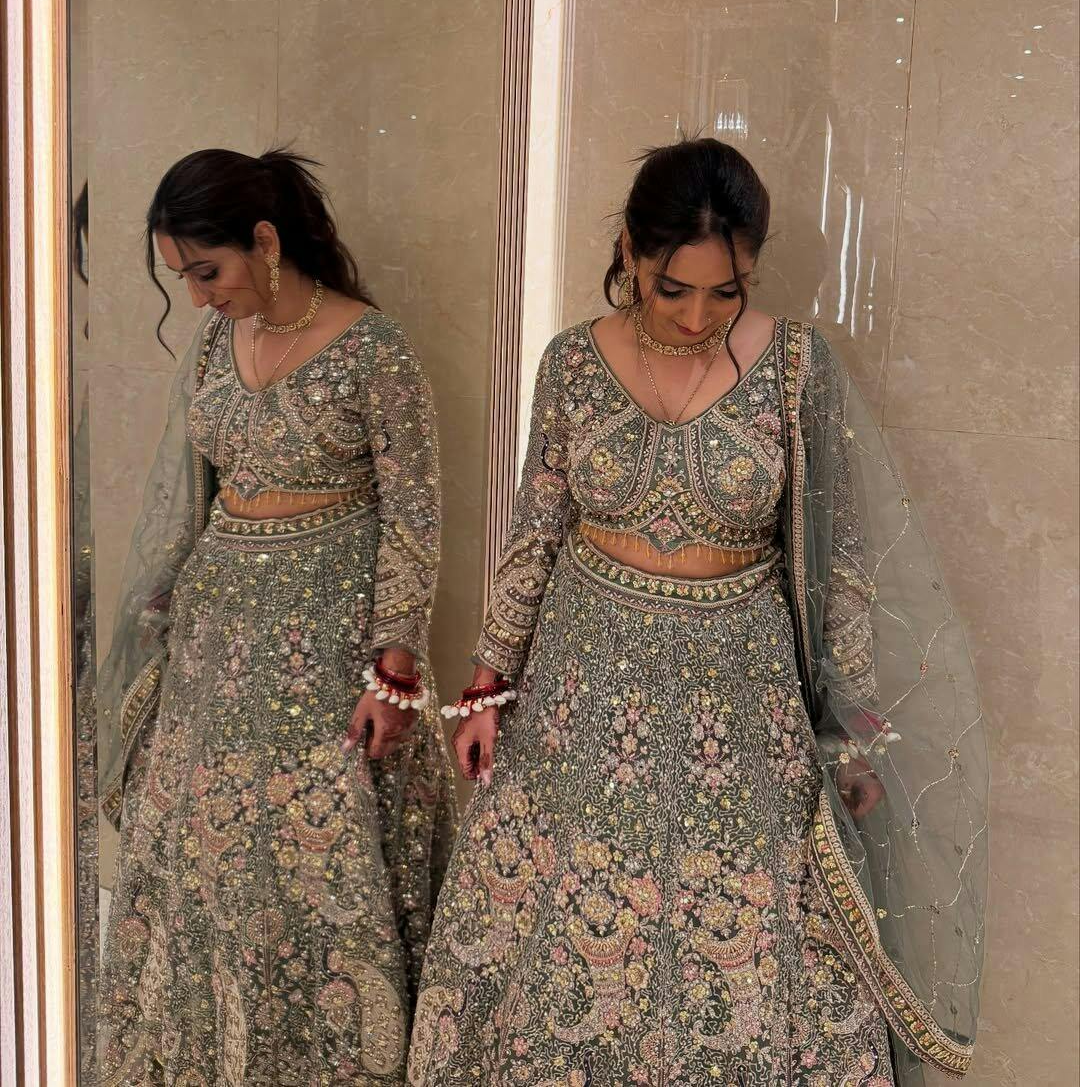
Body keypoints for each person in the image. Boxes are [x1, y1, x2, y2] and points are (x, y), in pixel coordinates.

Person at [408, 138, 987, 1086]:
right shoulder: (571, 360)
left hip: (737, 698)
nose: (697, 317)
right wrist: (486, 682)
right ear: (630, 253)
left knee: (737, 932)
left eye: (727, 291)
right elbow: (537, 527)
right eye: (672, 288)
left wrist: (850, 726)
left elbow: (840, 558)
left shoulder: (796, 365)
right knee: (572, 918)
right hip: (581, 688)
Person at [97, 148, 455, 1084]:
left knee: (311, 869)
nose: (198, 297)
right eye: (184, 279)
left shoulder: (375, 350)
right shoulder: (214, 346)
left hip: (326, 651)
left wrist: (394, 667)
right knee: (207, 868)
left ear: (265, 239)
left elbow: (415, 518)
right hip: (215, 648)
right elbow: (192, 494)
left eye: (206, 271)